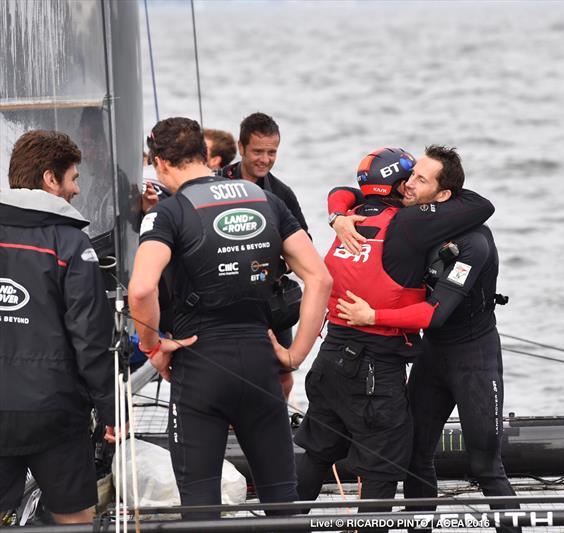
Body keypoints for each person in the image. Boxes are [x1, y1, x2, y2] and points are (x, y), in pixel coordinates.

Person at [128, 117, 331, 518]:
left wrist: (152, 346)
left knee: (200, 510)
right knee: (282, 505)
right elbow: (320, 279)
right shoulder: (265, 199)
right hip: (261, 360)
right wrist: (295, 356)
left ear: (161, 163)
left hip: (198, 362)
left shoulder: (168, 213)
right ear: (205, 155)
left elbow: (141, 288)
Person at [294, 146, 495, 529]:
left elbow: (344, 191)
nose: (413, 186)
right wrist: (375, 315)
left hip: (330, 357)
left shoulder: (350, 216)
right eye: (411, 178)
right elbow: (480, 206)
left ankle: (279, 523)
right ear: (399, 184)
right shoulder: (410, 224)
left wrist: (335, 215)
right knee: (383, 465)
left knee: (318, 452)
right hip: (374, 369)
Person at [0, 130, 117, 524]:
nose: (77, 190)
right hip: (56, 413)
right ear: (50, 179)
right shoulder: (71, 242)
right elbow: (91, 339)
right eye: (74, 178)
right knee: (75, 519)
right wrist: (111, 411)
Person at [219, 112, 309, 397]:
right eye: (258, 151)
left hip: (270, 299)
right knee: (228, 375)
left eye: (272, 152)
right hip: (224, 298)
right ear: (241, 147)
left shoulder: (282, 193)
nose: (265, 159)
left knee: (283, 378)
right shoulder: (213, 184)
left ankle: (275, 426)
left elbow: (304, 244)